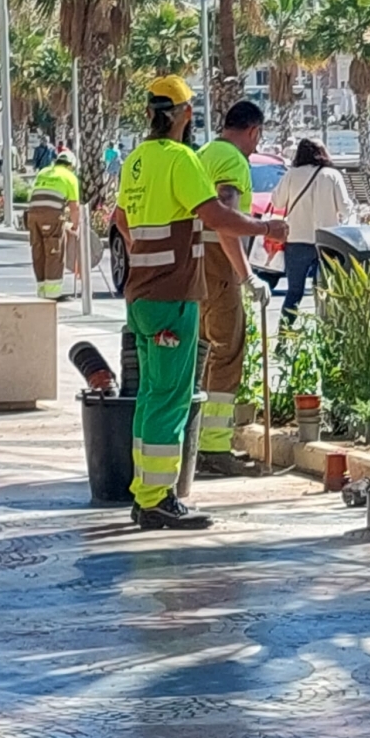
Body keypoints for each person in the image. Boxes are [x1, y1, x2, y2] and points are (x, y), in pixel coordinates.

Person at [112, 76, 287, 530]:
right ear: (185, 114)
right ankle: (156, 498)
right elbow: (216, 215)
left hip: (141, 293)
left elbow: (121, 220)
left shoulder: (135, 160)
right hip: (173, 297)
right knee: (170, 397)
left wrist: (146, 258)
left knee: (151, 394)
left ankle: (144, 491)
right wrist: (266, 230)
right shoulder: (180, 159)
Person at [195, 100, 272, 476]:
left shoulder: (204, 152)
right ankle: (213, 447)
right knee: (227, 349)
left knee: (200, 352)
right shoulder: (233, 161)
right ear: (253, 131)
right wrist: (246, 275)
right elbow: (226, 219)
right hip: (218, 262)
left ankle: (196, 440)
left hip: (193, 264)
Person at [268, 137, 353, 325]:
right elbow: (346, 208)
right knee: (326, 292)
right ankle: (327, 334)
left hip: (297, 240)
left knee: (294, 292)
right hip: (328, 241)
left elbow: (277, 202)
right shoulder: (332, 175)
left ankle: (283, 339)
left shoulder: (291, 175)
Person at [25, 149, 79, 300]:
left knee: (39, 250)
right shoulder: (70, 177)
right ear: (70, 166)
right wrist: (75, 226)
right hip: (51, 214)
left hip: (33, 214)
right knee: (54, 252)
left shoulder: (44, 172)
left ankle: (41, 291)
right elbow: (74, 207)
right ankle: (53, 294)